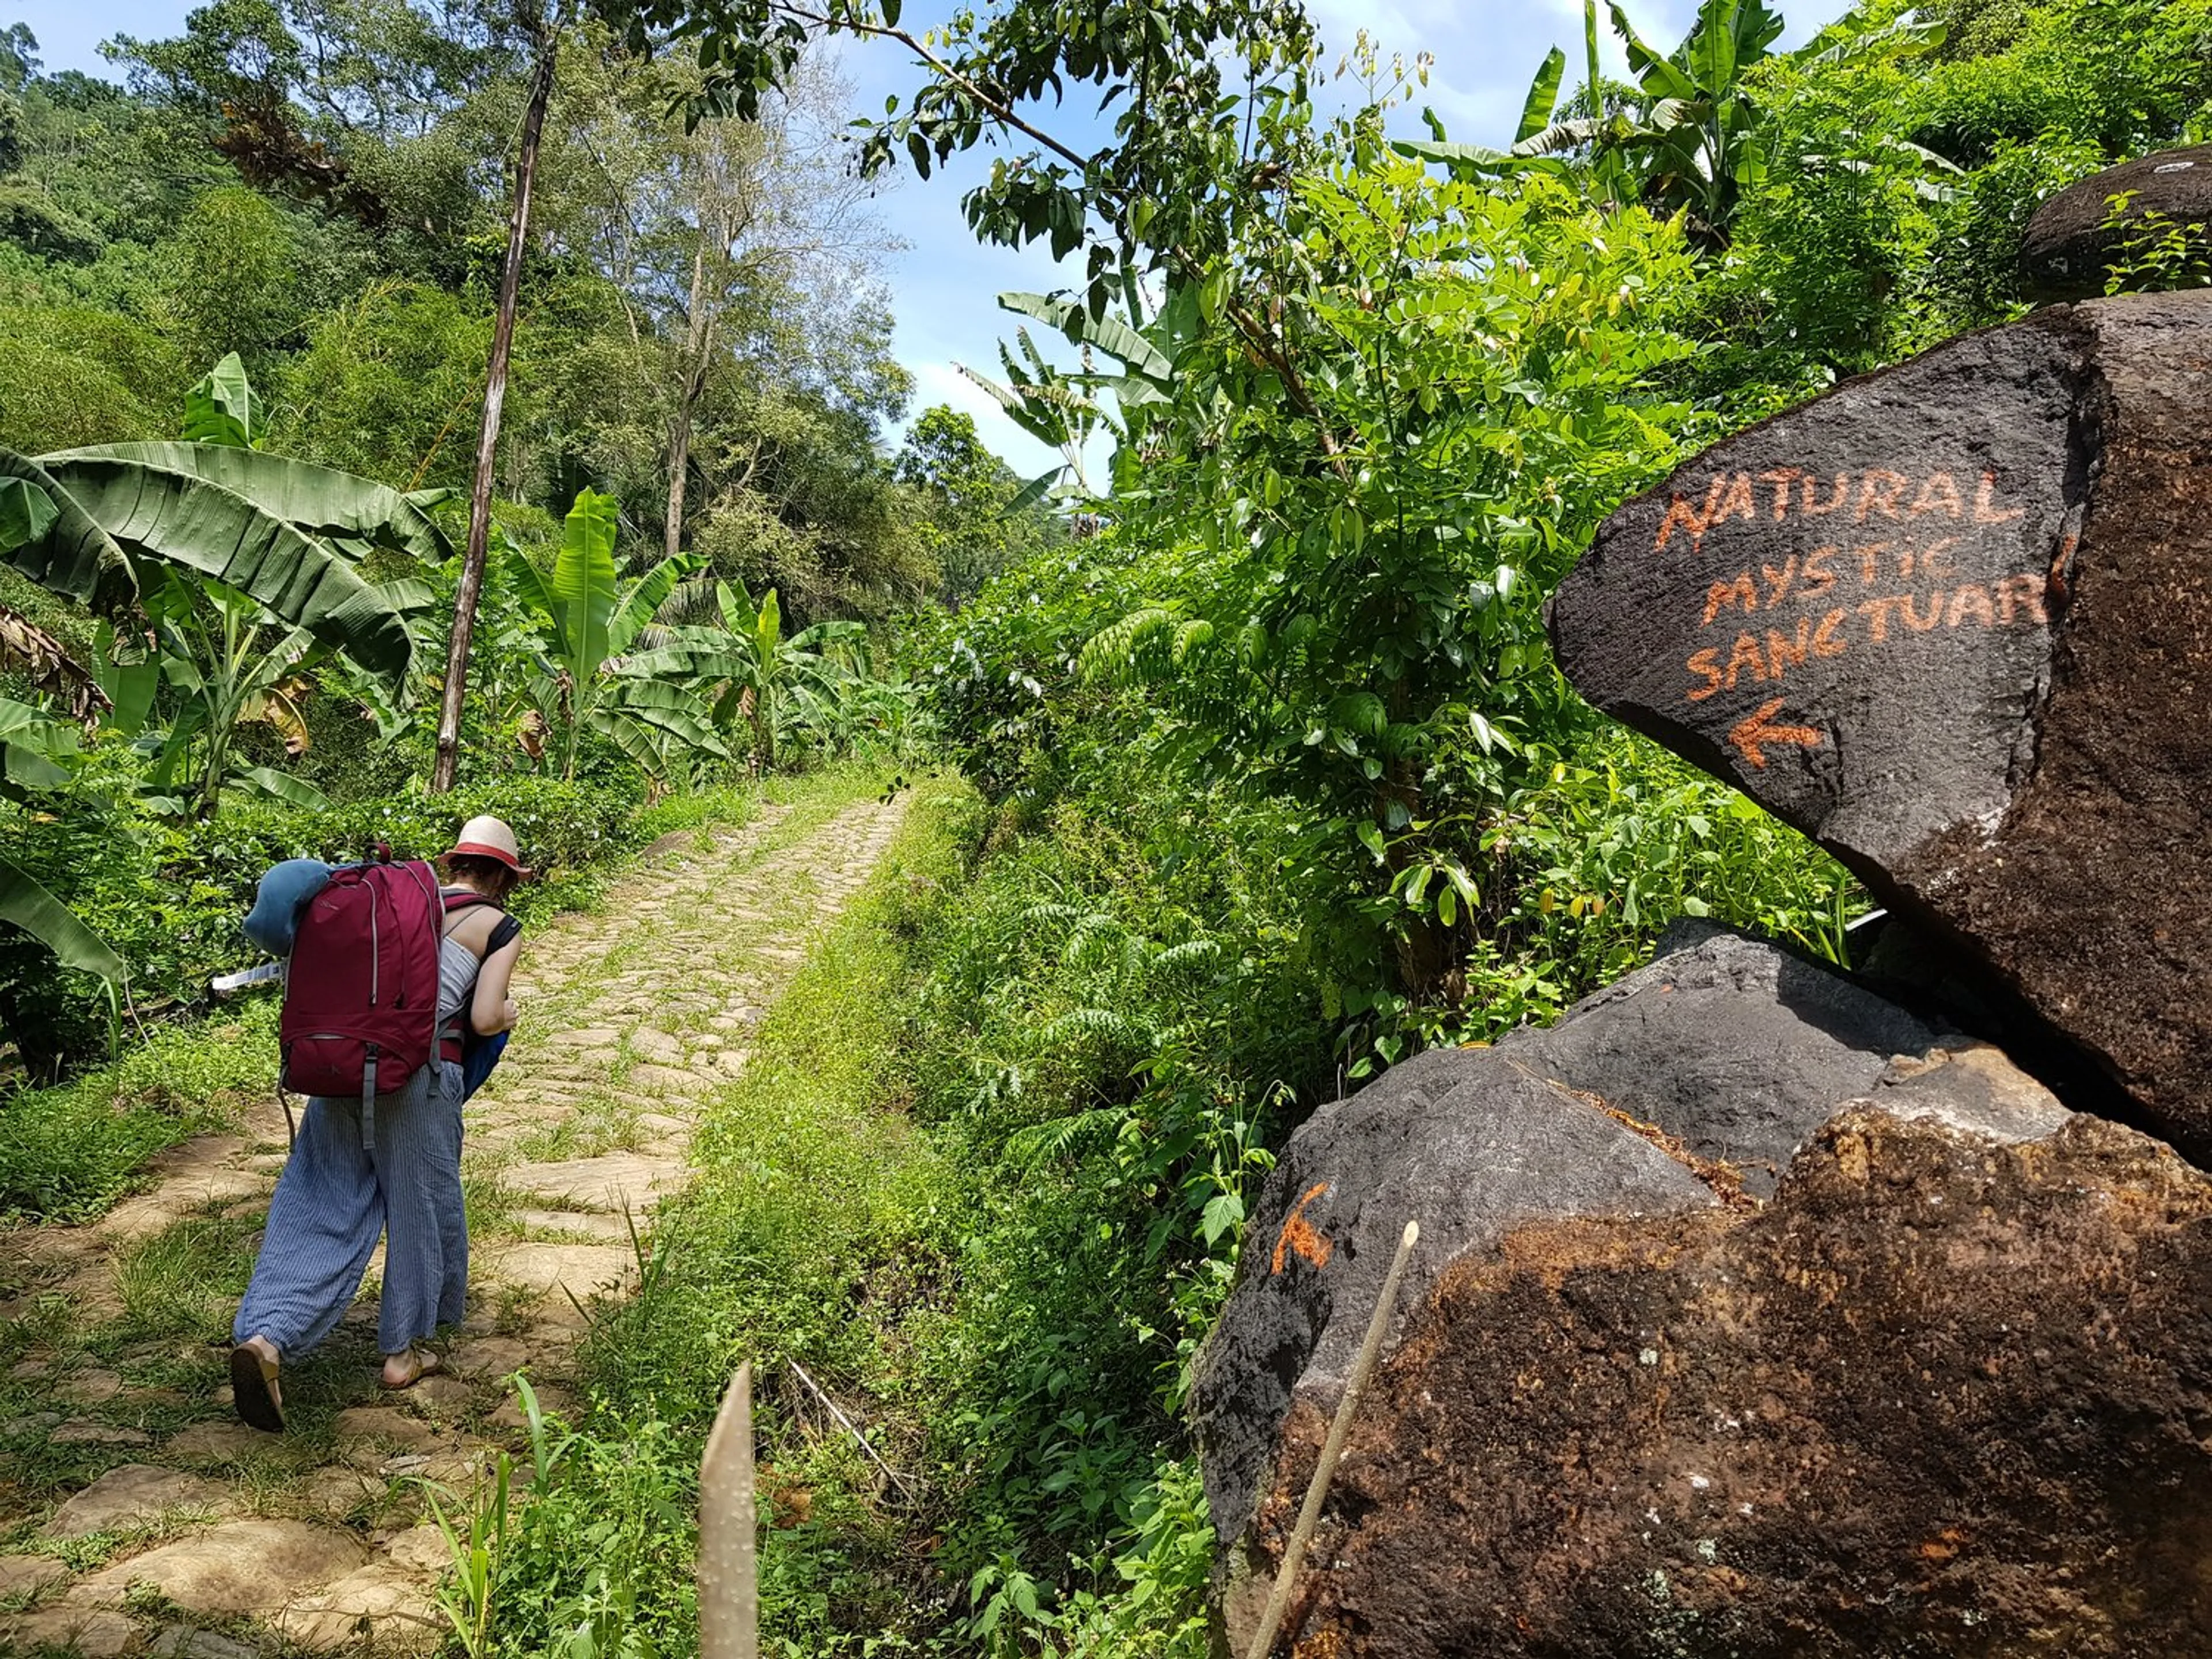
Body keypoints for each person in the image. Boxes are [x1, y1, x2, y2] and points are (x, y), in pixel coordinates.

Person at [229, 816, 529, 1430]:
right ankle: (402, 1351)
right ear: (503, 876)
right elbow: (483, 1018)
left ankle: (267, 1337)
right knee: (421, 1205)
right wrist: (510, 1015)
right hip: (418, 1081)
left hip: (340, 1070)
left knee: (317, 1201)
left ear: (453, 865)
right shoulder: (496, 925)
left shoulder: (388, 904)